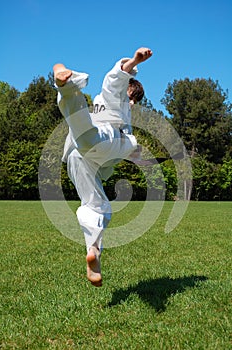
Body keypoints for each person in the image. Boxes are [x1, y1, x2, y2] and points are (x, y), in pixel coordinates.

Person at [53, 47, 152, 287]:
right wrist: (134, 62)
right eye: (131, 97)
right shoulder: (113, 102)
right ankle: (65, 83)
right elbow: (113, 81)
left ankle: (94, 252)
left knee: (96, 206)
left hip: (78, 155)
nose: (131, 102)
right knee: (90, 135)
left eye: (134, 100)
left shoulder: (99, 108)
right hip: (106, 138)